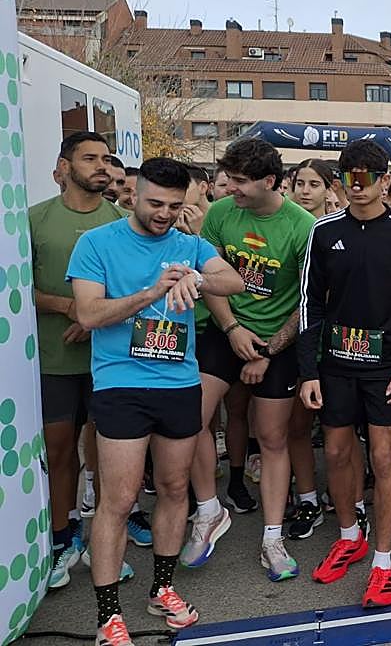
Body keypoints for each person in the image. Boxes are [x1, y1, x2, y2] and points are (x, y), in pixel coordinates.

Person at [67, 157, 244, 646]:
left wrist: (198, 279)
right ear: (132, 194)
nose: (165, 213)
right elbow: (88, 312)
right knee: (119, 501)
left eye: (174, 204)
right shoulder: (97, 243)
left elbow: (234, 281)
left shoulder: (189, 244)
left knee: (173, 490)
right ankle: (108, 618)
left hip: (179, 384)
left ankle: (162, 589)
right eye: (155, 204)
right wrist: (151, 292)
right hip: (121, 384)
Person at [297, 140, 391, 606]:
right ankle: (350, 534)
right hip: (335, 364)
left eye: (367, 177)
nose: (358, 186)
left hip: (386, 364)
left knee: (382, 458)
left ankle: (383, 561)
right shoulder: (322, 231)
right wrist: (308, 369)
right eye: (350, 177)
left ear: (383, 179)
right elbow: (310, 302)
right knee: (336, 453)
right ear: (341, 180)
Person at [182, 139, 315, 580]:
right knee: (193, 419)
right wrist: (233, 330)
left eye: (240, 182)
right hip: (226, 329)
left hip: (280, 338)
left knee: (272, 438)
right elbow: (209, 279)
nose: (230, 189)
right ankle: (207, 512)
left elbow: (309, 302)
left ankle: (272, 538)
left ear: (270, 182)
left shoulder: (302, 226)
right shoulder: (220, 213)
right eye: (229, 180)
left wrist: (268, 351)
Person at [34, 133, 126, 591]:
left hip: (111, 362)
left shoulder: (122, 221)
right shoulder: (33, 220)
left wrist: (93, 318)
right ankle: (62, 538)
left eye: (106, 159)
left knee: (108, 458)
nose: (101, 166)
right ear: (63, 165)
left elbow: (136, 291)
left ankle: (100, 545)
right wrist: (68, 307)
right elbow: (16, 289)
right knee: (59, 451)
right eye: (89, 158)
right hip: (53, 360)